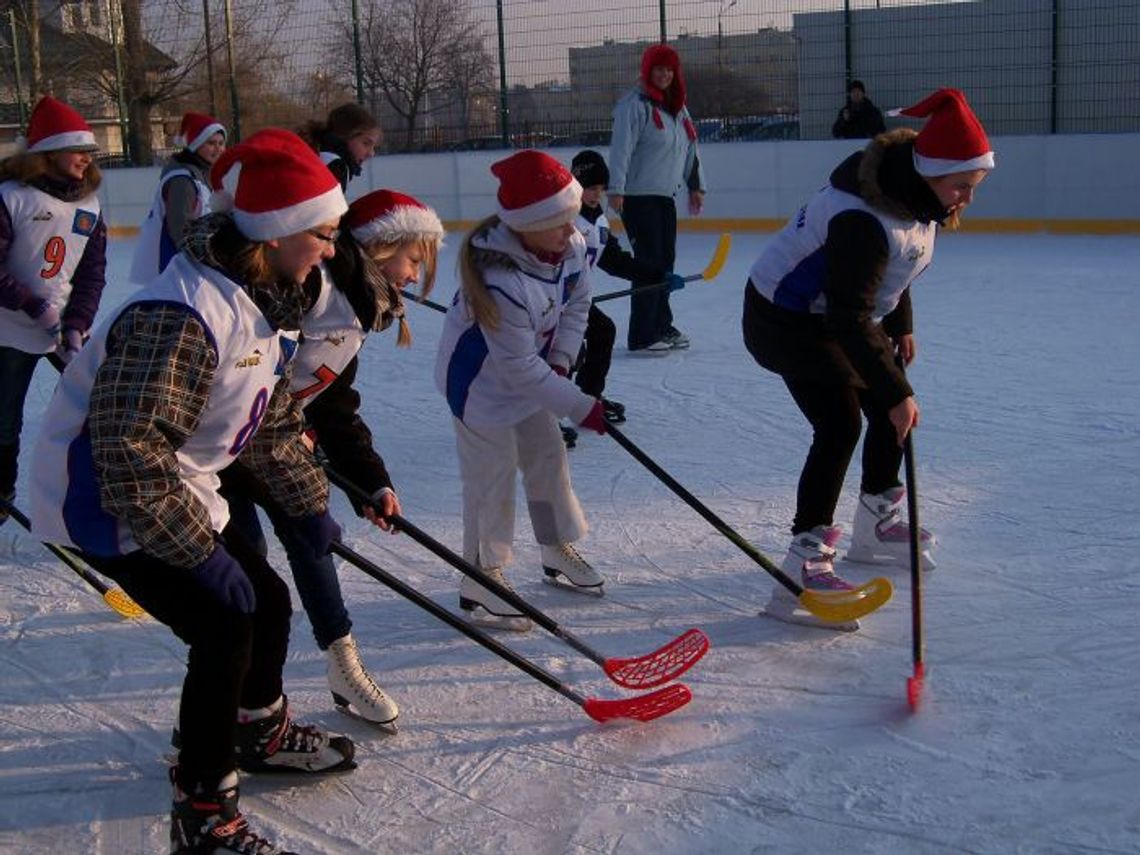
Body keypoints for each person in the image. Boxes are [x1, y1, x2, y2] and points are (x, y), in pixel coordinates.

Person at [29, 128, 357, 853]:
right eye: (323, 235)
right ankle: (204, 810)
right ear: (274, 235)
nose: (330, 250)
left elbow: (269, 424)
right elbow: (125, 451)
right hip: (105, 497)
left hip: (177, 479)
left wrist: (309, 508)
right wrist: (196, 554)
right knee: (223, 623)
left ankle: (254, 729)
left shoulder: (264, 300)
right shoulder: (180, 316)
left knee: (265, 598)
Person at [743, 88, 993, 628]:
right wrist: (896, 390)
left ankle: (875, 524)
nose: (965, 199)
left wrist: (901, 327)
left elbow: (896, 272)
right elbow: (848, 314)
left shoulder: (916, 195)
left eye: (973, 188)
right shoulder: (862, 219)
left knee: (890, 410)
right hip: (784, 319)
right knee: (840, 424)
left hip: (838, 314)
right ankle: (801, 567)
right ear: (929, 171)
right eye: (961, 187)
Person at [219, 188, 444, 728]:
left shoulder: (357, 314)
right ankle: (237, 690)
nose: (414, 276)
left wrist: (372, 482)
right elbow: (254, 367)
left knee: (310, 542)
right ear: (380, 246)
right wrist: (283, 429)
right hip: (222, 450)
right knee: (247, 571)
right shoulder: (316, 288)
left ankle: (343, 663)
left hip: (272, 446)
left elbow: (335, 408)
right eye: (413, 260)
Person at [434, 150, 608, 631]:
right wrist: (579, 406)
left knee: (548, 459)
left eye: (571, 218)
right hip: (479, 386)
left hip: (531, 373)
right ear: (524, 225)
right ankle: (481, 579)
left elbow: (579, 303)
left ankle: (554, 548)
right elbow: (515, 370)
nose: (569, 230)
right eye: (556, 222)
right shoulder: (500, 279)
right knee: (491, 480)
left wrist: (562, 360)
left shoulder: (568, 244)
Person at [0, 95, 106, 524]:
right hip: (7, 329)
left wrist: (78, 324)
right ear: (49, 152)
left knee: (100, 407)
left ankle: (106, 493)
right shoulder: (12, 197)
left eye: (90, 152)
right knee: (5, 421)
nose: (86, 158)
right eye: (77, 149)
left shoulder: (90, 206)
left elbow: (92, 274)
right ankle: (1, 493)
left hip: (59, 330)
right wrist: (31, 305)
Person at [568, 148, 687, 434]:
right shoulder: (564, 220)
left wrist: (657, 275)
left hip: (573, 298)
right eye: (589, 188)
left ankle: (587, 400)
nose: (596, 194)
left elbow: (615, 262)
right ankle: (542, 415)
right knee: (567, 350)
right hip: (548, 298)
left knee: (602, 331)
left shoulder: (598, 222)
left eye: (601, 188)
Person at [608, 42, 706, 353]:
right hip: (637, 197)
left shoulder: (677, 107)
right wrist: (616, 189)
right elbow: (620, 150)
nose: (664, 74)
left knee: (665, 263)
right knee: (648, 263)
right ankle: (642, 335)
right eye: (659, 69)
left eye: (669, 69)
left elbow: (691, 148)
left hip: (665, 196)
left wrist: (696, 186)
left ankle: (661, 325)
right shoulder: (633, 105)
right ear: (648, 71)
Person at [129, 111, 227, 283]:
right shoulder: (182, 180)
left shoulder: (201, 174)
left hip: (195, 264)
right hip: (178, 267)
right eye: (211, 143)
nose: (218, 149)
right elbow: (181, 231)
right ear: (195, 145)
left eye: (221, 143)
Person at [298, 102, 382, 192]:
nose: (371, 153)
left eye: (374, 147)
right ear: (346, 136)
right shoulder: (335, 166)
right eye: (366, 143)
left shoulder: (319, 154)